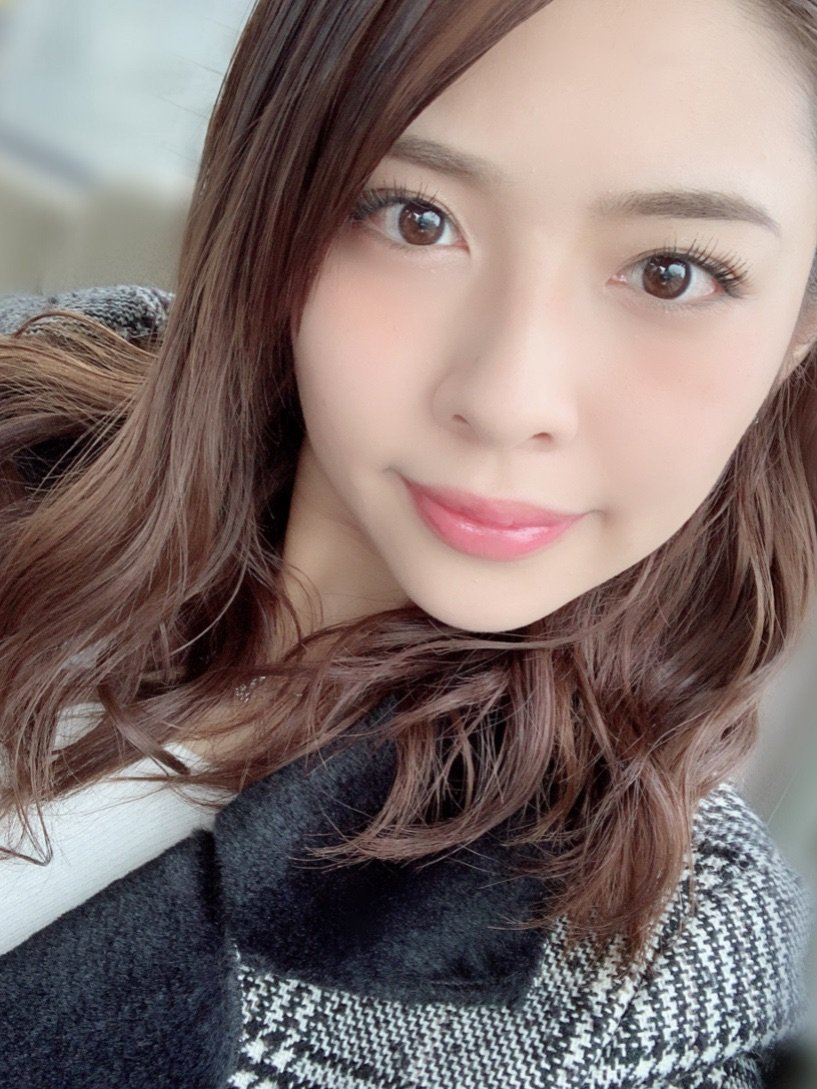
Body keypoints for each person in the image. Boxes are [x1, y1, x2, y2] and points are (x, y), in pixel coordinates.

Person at [0, 0, 816, 1085]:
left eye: (673, 272)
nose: (508, 398)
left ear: (798, 327)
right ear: (276, 202)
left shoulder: (653, 980)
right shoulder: (25, 402)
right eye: (415, 219)